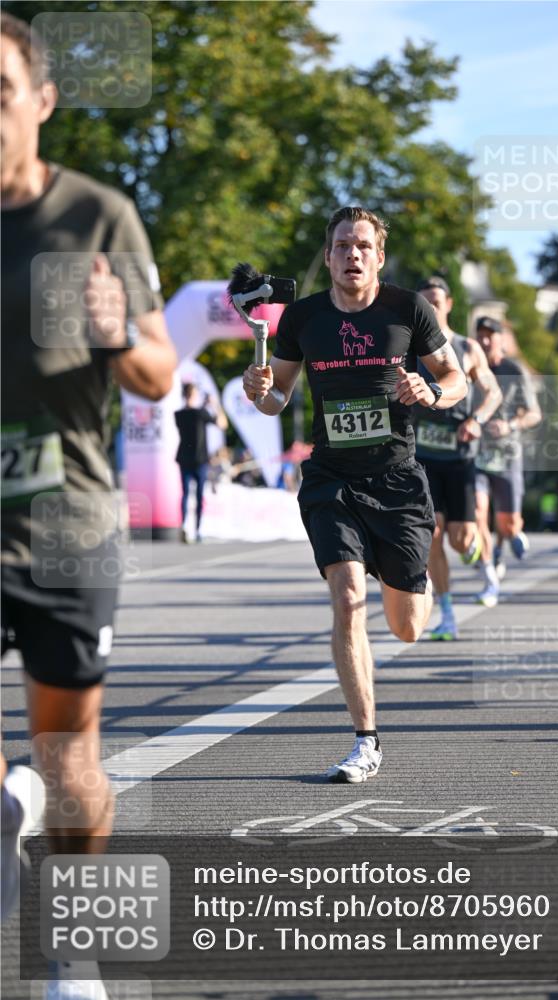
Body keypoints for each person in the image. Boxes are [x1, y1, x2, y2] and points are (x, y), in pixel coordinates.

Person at [1, 13, 177, 998]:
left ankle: (73, 947)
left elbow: (158, 372)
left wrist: (115, 333)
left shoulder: (96, 215)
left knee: (69, 761)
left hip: (65, 526)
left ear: (41, 100)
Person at [242, 205, 466, 783]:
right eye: (342, 245)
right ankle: (366, 740)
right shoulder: (303, 318)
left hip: (397, 479)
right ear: (328, 256)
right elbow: (276, 398)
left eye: (363, 246)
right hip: (331, 478)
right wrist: (258, 391)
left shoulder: (408, 309)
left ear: (379, 257)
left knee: (406, 626)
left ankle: (409, 578)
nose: (353, 255)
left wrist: (431, 391)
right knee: (346, 599)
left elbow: (456, 378)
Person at [412, 277, 501, 640]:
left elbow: (493, 392)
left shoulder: (467, 348)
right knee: (432, 534)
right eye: (424, 302)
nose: (430, 307)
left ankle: (476, 550)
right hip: (423, 457)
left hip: (460, 457)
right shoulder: (409, 347)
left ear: (448, 304)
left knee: (461, 539)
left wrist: (477, 419)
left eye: (436, 301)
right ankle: (447, 614)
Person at [473, 317, 542, 607]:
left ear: (501, 339)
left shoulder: (514, 371)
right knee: (478, 512)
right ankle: (489, 578)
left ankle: (506, 539)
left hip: (507, 454)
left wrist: (509, 425)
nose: (485, 340)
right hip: (476, 453)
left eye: (491, 335)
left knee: (508, 523)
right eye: (481, 334)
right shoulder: (469, 366)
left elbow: (534, 414)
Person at [174, 383, 228, 542]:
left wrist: (204, 407)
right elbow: (222, 424)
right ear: (193, 395)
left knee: (185, 494)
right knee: (198, 495)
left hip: (184, 457)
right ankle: (197, 530)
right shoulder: (201, 413)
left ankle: (184, 525)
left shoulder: (178, 414)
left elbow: (191, 415)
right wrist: (214, 405)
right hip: (200, 459)